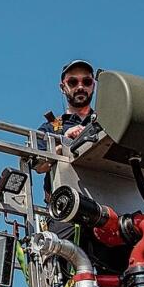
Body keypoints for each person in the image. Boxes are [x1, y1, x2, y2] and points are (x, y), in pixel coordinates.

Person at [34, 59, 98, 241]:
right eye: (73, 82)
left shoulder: (107, 125)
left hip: (107, 207)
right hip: (66, 208)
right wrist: (65, 145)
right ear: (63, 87)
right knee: (59, 255)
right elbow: (39, 166)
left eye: (86, 82)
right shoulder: (49, 129)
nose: (80, 87)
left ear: (93, 86)